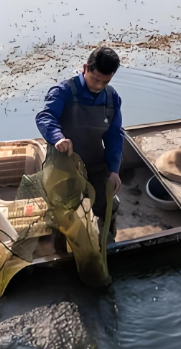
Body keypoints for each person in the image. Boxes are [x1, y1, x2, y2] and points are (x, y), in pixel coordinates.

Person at [35, 47, 123, 234]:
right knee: (64, 212)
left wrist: (114, 170)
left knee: (107, 206)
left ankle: (107, 239)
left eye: (105, 81)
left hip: (95, 164)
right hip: (63, 165)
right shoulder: (63, 91)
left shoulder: (112, 98)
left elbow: (114, 135)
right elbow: (45, 116)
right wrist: (58, 138)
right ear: (85, 68)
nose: (99, 86)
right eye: (95, 79)